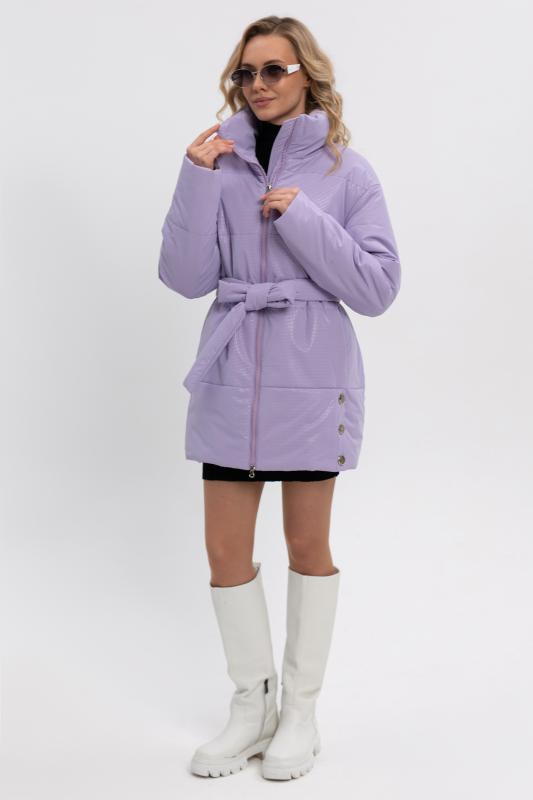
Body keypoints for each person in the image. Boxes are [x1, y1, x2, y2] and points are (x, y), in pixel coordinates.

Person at [157, 15, 401, 781]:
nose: (257, 84)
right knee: (224, 551)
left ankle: (299, 712)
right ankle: (250, 706)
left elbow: (377, 288)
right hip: (232, 371)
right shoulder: (218, 162)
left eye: (272, 69)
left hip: (311, 374)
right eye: (245, 72)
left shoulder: (347, 172)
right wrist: (196, 179)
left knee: (306, 546)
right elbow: (184, 278)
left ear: (306, 75)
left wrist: (300, 215)